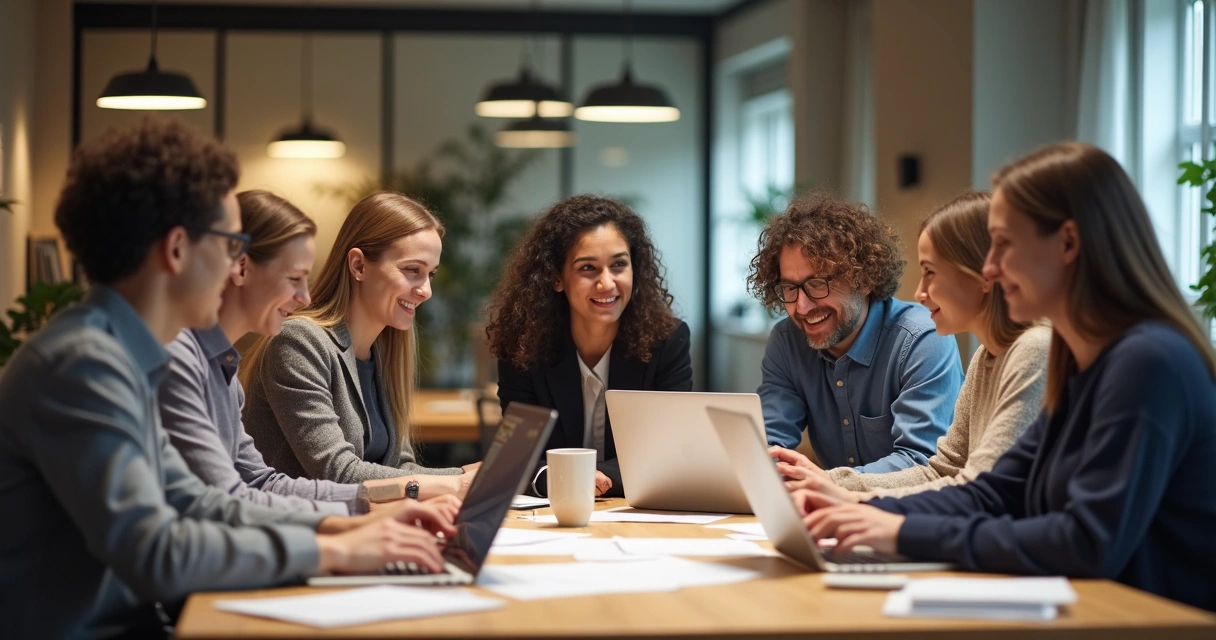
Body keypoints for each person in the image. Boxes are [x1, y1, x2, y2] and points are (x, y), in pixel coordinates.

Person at [0, 118, 456, 638]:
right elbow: (157, 552)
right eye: (228, 245)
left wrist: (356, 523)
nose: (234, 267)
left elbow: (200, 501)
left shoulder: (120, 355)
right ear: (177, 250)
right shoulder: (84, 367)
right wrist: (338, 547)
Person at [796, 142, 1216, 612]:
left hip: (1150, 621)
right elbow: (994, 491)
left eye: (1004, 243)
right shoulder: (1081, 361)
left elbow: (1086, 541)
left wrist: (900, 528)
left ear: (1069, 243)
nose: (990, 268)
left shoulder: (1148, 361)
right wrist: (866, 512)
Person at [158, 190, 454, 514]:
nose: (305, 297)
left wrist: (413, 497)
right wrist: (339, 541)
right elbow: (227, 504)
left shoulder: (221, 366)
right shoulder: (185, 359)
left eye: (431, 274)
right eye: (295, 278)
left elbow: (259, 484)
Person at [775, 191, 1050, 501]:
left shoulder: (1034, 351)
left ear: (986, 275)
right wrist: (835, 488)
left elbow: (982, 494)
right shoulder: (986, 357)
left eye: (930, 273)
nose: (919, 292)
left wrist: (878, 522)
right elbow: (942, 471)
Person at [241, 192, 476, 497]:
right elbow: (337, 473)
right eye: (412, 270)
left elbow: (400, 468)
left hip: (367, 527)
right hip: (304, 534)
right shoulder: (299, 342)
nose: (426, 290)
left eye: (430, 274)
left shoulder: (384, 352)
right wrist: (457, 481)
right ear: (359, 265)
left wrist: (468, 475)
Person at [486, 195, 692, 498]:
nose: (607, 283)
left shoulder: (668, 341)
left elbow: (670, 447)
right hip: (551, 513)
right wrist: (559, 480)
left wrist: (598, 477)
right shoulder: (523, 346)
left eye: (619, 265)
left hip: (637, 512)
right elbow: (520, 455)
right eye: (588, 268)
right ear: (556, 277)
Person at [751, 192, 963, 472]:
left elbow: (920, 464)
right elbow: (771, 443)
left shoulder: (922, 339)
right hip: (834, 512)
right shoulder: (787, 341)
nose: (802, 307)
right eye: (790, 288)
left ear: (863, 279)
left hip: (912, 511)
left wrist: (829, 484)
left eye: (817, 284)